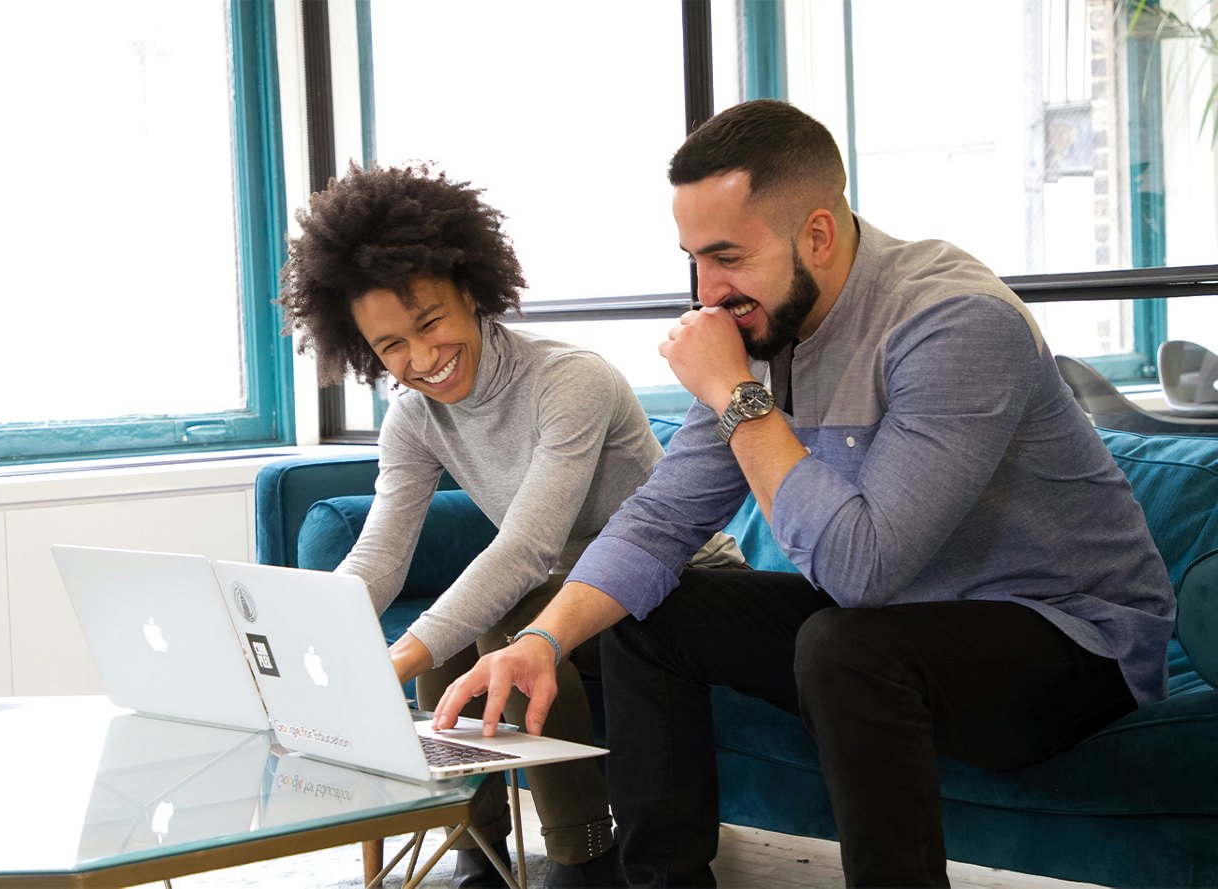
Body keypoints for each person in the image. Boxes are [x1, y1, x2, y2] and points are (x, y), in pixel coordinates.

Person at [432, 100, 1176, 887]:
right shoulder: (759, 329)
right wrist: (541, 642)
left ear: (817, 233)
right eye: (693, 259)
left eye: (728, 257)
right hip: (897, 624)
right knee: (651, 616)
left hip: (1072, 642)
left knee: (843, 644)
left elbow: (862, 571)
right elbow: (658, 520)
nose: (708, 291)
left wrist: (734, 395)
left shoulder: (954, 321)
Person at [277, 161, 740, 888]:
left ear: (472, 292)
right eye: (393, 345)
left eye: (430, 322)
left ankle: (583, 857)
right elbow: (379, 556)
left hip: (682, 588)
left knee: (504, 617)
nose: (422, 358)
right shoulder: (413, 418)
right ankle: (476, 845)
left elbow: (527, 549)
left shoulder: (570, 381)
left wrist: (396, 659)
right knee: (469, 632)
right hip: (573, 604)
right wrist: (305, 633)